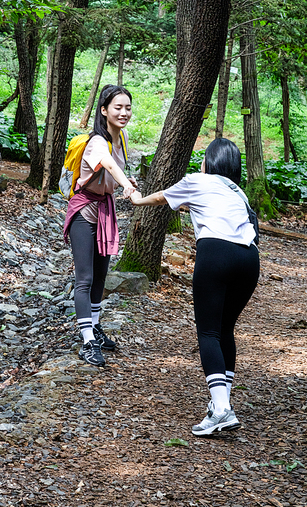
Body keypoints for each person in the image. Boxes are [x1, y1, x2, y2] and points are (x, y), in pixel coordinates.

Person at [129, 138, 260, 436]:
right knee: (225, 329)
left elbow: (162, 198)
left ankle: (222, 409)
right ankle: (220, 405)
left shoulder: (198, 180)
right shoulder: (238, 192)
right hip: (250, 259)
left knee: (209, 332)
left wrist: (137, 198)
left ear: (210, 162)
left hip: (216, 253)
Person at [63, 85, 136, 368]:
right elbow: (109, 165)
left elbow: (115, 172)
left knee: (101, 276)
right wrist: (127, 185)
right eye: (117, 107)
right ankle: (86, 341)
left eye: (127, 107)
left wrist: (126, 185)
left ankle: (94, 328)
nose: (123, 113)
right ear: (104, 110)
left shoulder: (123, 138)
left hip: (105, 208)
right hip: (84, 211)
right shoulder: (97, 142)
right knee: (85, 279)